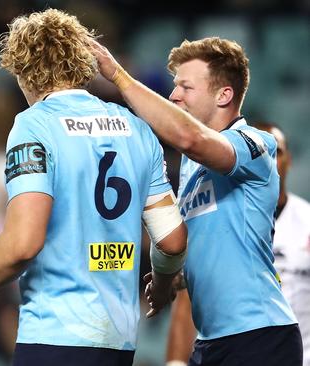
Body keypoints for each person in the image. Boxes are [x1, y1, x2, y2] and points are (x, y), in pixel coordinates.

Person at [0, 9, 187, 366]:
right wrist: (161, 286)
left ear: (23, 71)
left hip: (56, 335)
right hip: (119, 340)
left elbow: (23, 244)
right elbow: (172, 240)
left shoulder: (35, 125)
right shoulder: (136, 128)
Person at [91, 37, 303, 365]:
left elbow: (190, 138)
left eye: (185, 87)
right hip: (211, 341)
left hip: (259, 337)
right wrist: (172, 280)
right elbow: (207, 243)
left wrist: (119, 77)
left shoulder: (257, 144)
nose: (174, 95)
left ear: (224, 95)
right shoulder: (192, 164)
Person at [165, 122, 310, 366]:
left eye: (278, 153)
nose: (271, 160)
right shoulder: (219, 213)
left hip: (285, 348)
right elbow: (189, 297)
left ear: (290, 160)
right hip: (229, 341)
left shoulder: (306, 220)